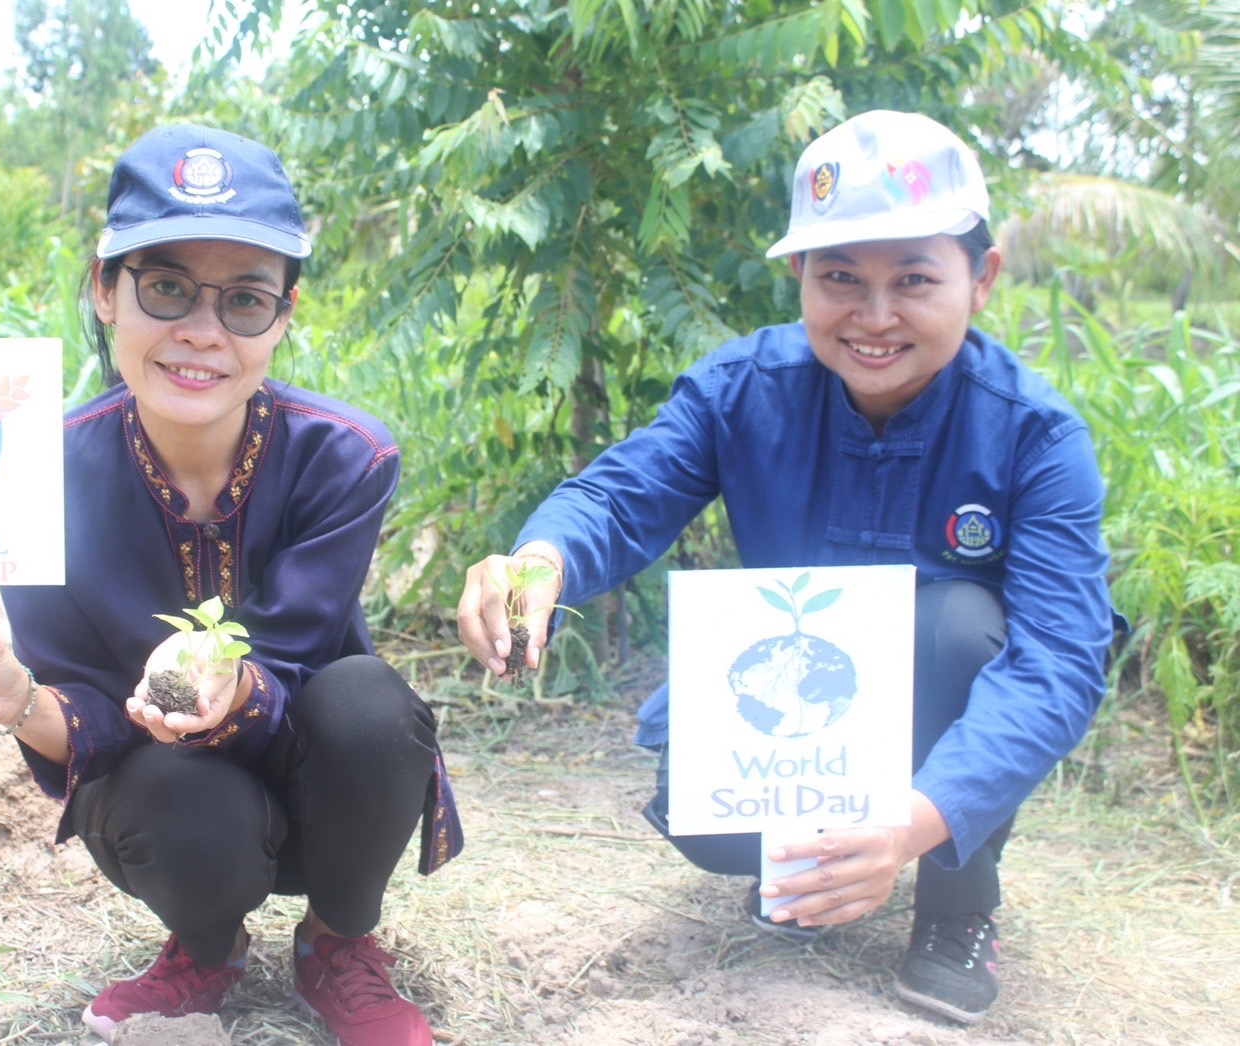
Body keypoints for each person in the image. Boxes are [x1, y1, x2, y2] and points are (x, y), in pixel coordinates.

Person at [455, 109, 1112, 1025]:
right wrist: (537, 560)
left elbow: (1058, 663)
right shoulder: (741, 389)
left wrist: (912, 826)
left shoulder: (1037, 437)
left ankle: (958, 904)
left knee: (966, 628)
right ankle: (814, 869)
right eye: (840, 278)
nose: (875, 317)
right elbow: (618, 495)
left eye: (914, 280)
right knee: (702, 810)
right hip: (797, 693)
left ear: (982, 277)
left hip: (943, 701)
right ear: (798, 275)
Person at [0, 124, 462, 1045]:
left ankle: (340, 941)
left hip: (319, 776)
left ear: (284, 316)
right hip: (170, 794)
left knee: (367, 702)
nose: (201, 332)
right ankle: (204, 948)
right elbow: (91, 710)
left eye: (244, 300)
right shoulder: (37, 474)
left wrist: (228, 684)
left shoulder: (347, 458)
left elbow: (302, 654)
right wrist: (22, 701)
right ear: (107, 292)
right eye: (165, 287)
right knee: (175, 793)